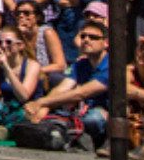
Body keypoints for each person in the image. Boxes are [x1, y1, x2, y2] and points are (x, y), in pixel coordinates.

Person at [25, 19, 113, 148]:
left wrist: (41, 102)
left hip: (107, 114)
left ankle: (96, 142)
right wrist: (43, 108)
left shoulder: (111, 65)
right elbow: (62, 88)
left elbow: (81, 93)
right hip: (84, 111)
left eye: (93, 37)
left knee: (92, 119)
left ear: (105, 43)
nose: (86, 40)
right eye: (83, 36)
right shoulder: (81, 64)